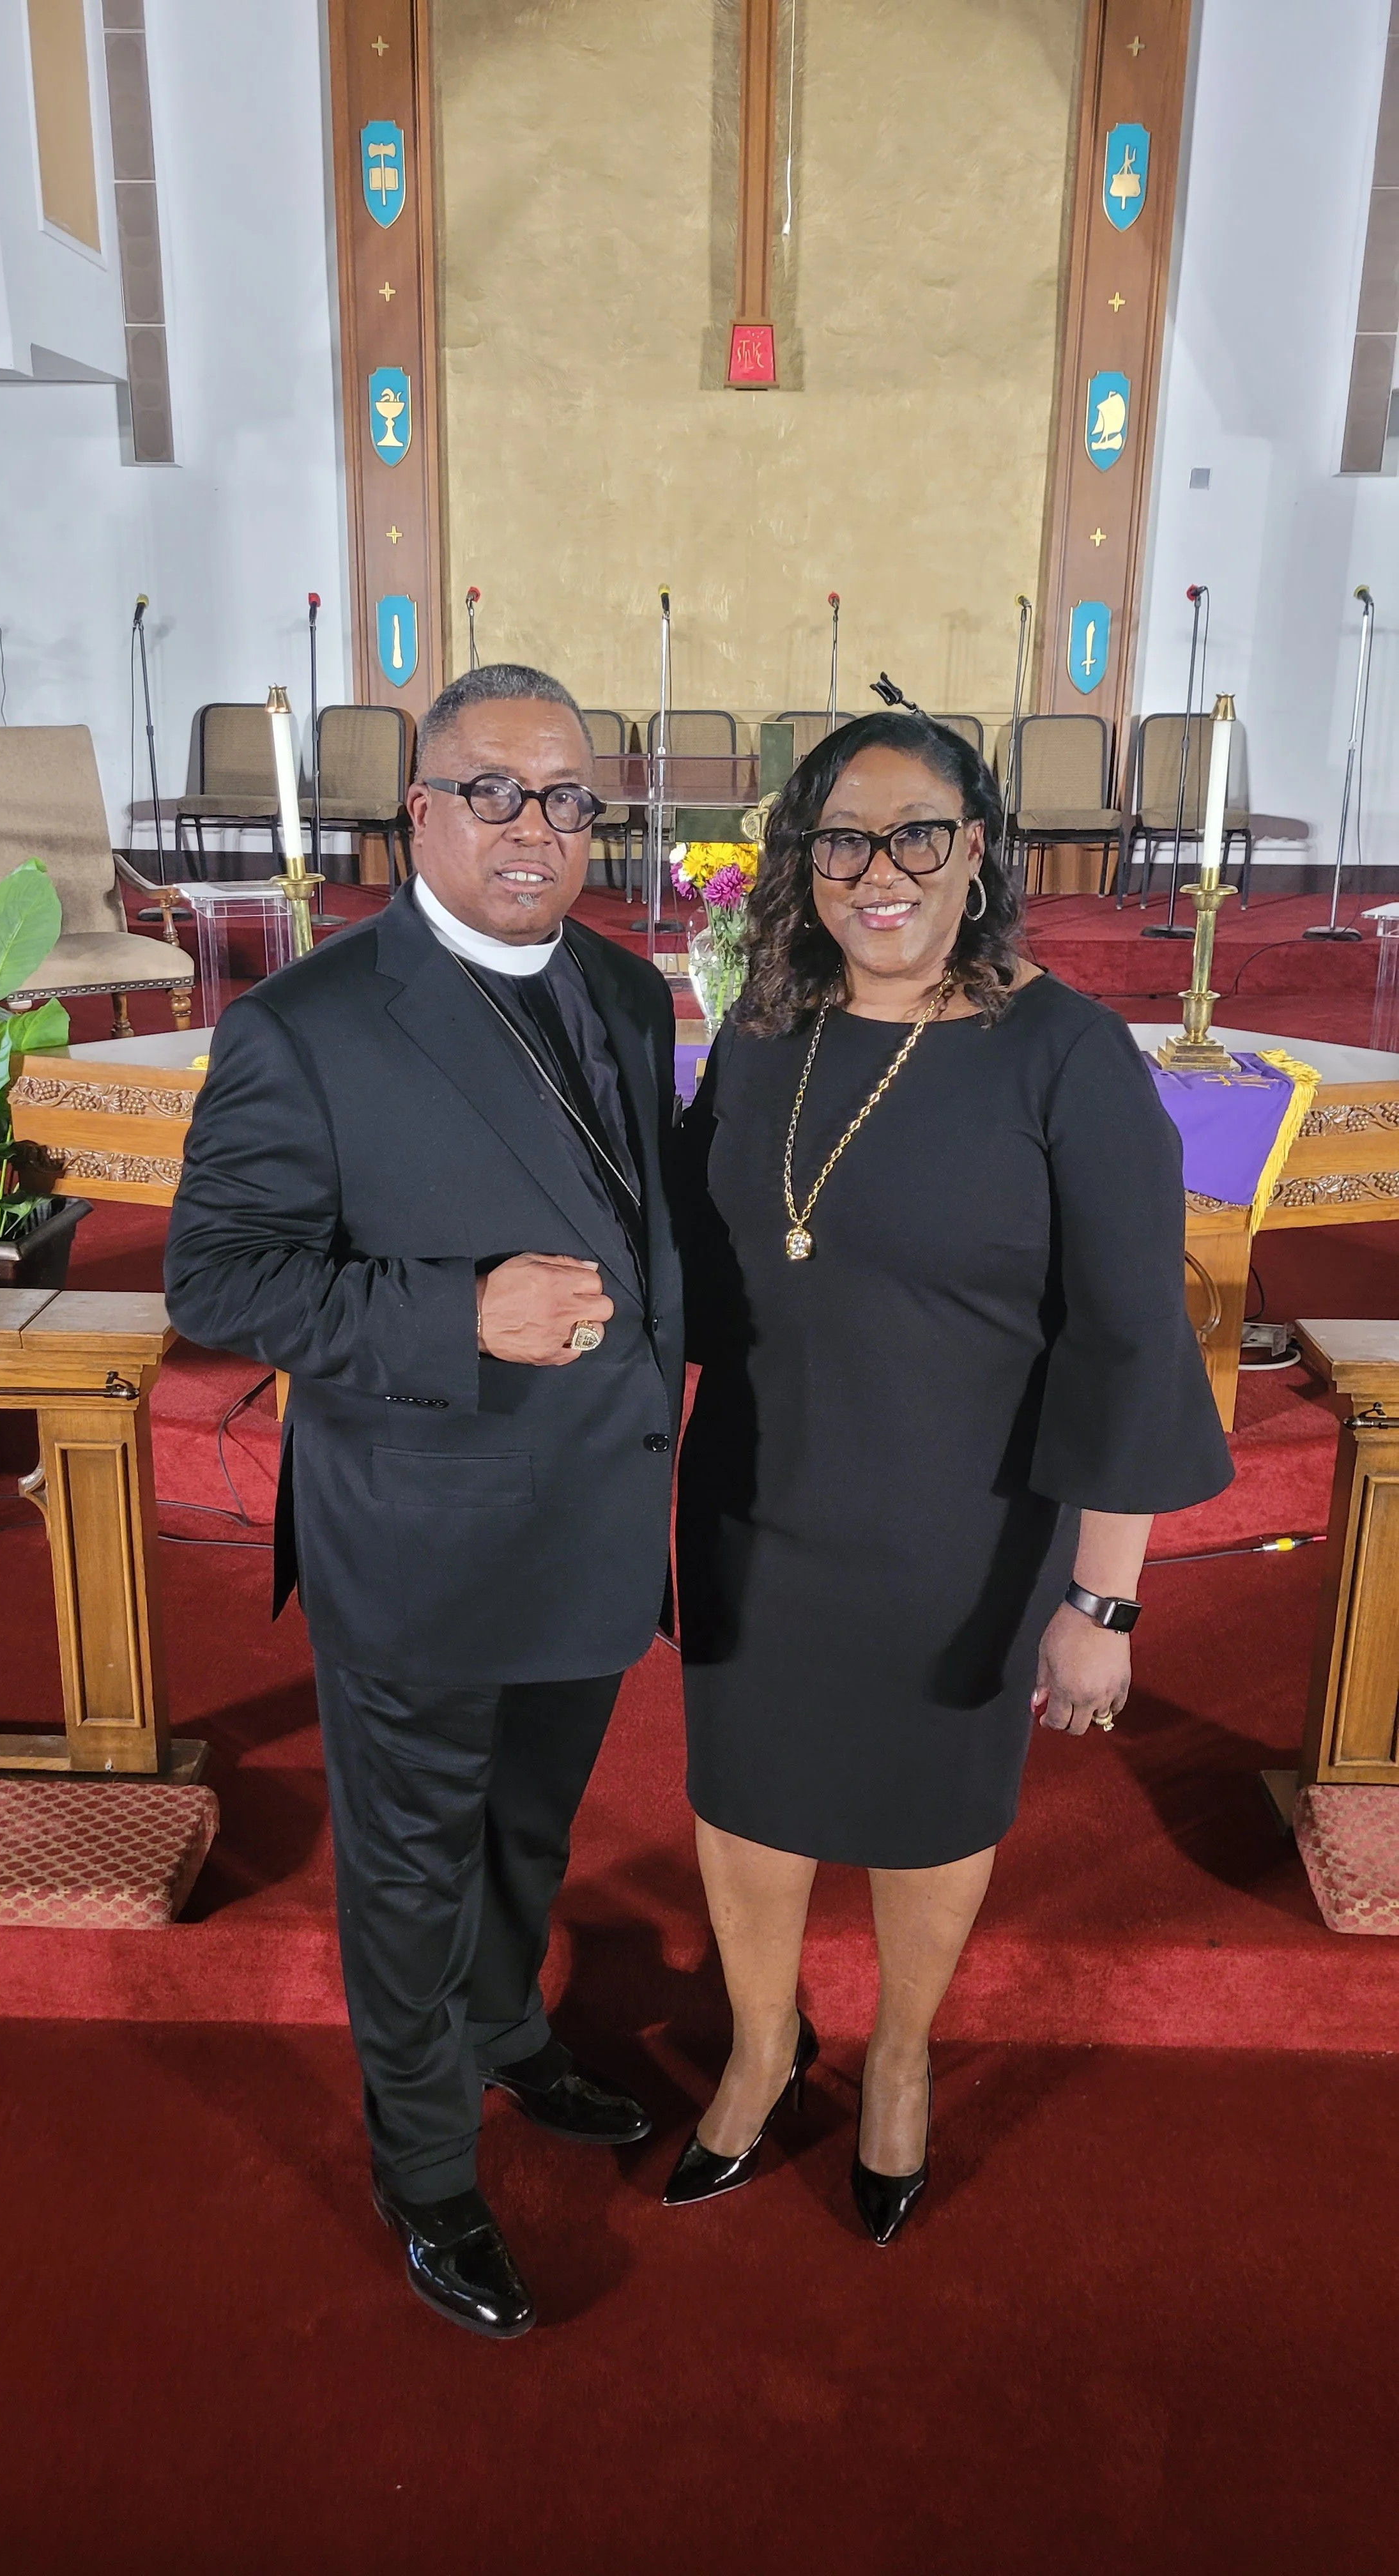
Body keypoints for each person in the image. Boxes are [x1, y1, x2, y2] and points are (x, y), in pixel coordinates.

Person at [165, 664, 683, 2338]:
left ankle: (511, 2035)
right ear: (418, 815)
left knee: (525, 1830)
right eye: (494, 792)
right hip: (422, 1520)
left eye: (566, 798)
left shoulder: (625, 993)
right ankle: (424, 2169)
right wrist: (452, 1313)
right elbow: (220, 1278)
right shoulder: (304, 1025)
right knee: (406, 1861)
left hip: (595, 1507)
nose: (534, 829)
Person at [667, 711, 1232, 2241]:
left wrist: (1101, 1603)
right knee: (747, 1802)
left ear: (979, 851)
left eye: (920, 834)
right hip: (754, 1506)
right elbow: (680, 1255)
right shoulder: (766, 1030)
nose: (881, 872)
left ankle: (901, 2058)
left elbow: (1127, 1339)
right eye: (845, 839)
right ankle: (764, 2048)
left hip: (961, 1524)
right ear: (806, 861)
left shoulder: (1064, 1052)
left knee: (928, 1811)